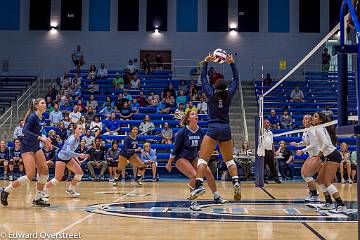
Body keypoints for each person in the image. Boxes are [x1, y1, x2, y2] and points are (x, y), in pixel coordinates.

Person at [189, 53, 242, 201]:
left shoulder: (211, 95)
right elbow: (236, 80)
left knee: (202, 160)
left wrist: (206, 61)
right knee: (229, 160)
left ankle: (199, 185)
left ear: (214, 87)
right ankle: (236, 181)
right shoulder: (229, 94)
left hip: (213, 128)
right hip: (226, 128)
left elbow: (203, 79)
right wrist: (232, 64)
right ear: (225, 88)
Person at [166, 111, 227, 211]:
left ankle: (216, 196)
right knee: (194, 176)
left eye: (196, 114)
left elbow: (203, 146)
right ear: (189, 119)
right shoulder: (182, 132)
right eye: (193, 114)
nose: (196, 116)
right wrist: (169, 162)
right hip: (181, 158)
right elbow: (175, 148)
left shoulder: (201, 132)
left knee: (208, 172)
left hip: (193, 157)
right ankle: (193, 202)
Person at [1, 98, 52, 207]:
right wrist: (40, 138)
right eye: (43, 103)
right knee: (30, 175)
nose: (45, 104)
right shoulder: (32, 116)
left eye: (45, 103)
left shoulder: (41, 116)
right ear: (37, 106)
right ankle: (6, 190)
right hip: (27, 146)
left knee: (44, 170)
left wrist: (46, 139)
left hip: (36, 146)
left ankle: (38, 198)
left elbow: (37, 132)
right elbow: (25, 131)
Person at [311, 112, 346, 212]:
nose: (313, 118)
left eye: (315, 117)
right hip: (329, 156)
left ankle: (340, 204)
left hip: (333, 155)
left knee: (326, 181)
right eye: (313, 116)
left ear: (320, 120)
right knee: (319, 180)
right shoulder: (317, 128)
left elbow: (326, 143)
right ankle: (329, 203)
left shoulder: (318, 128)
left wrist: (318, 155)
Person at [43, 124, 86, 199]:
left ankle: (70, 189)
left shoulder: (78, 138)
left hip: (68, 159)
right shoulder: (72, 139)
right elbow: (68, 151)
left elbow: (71, 152)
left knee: (79, 173)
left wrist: (76, 159)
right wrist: (79, 155)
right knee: (57, 179)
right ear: (75, 130)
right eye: (79, 129)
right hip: (61, 158)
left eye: (82, 129)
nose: (81, 130)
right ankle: (43, 190)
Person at [290, 115, 322, 202]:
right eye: (303, 119)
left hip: (317, 155)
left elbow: (314, 144)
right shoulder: (305, 131)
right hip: (311, 155)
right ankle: (312, 193)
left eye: (306, 119)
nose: (304, 120)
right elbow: (305, 142)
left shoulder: (311, 130)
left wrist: (303, 151)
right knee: (304, 174)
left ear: (311, 121)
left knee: (307, 175)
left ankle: (315, 194)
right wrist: (297, 144)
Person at [263, 119, 281, 184]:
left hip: (270, 151)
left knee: (272, 165)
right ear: (263, 124)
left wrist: (274, 151)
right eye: (265, 123)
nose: (266, 124)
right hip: (263, 151)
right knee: (263, 166)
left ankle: (276, 179)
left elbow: (272, 143)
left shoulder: (271, 132)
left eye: (267, 123)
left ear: (269, 124)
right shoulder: (261, 132)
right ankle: (263, 179)